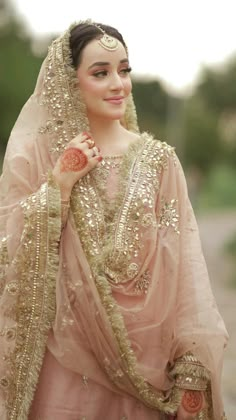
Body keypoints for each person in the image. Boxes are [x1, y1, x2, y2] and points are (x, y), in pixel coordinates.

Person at [0, 19, 228, 420]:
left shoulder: (160, 162)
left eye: (124, 70)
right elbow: (8, 245)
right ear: (70, 84)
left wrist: (191, 368)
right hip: (63, 370)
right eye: (100, 73)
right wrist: (59, 187)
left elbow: (184, 271)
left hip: (147, 376)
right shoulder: (42, 159)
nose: (118, 84)